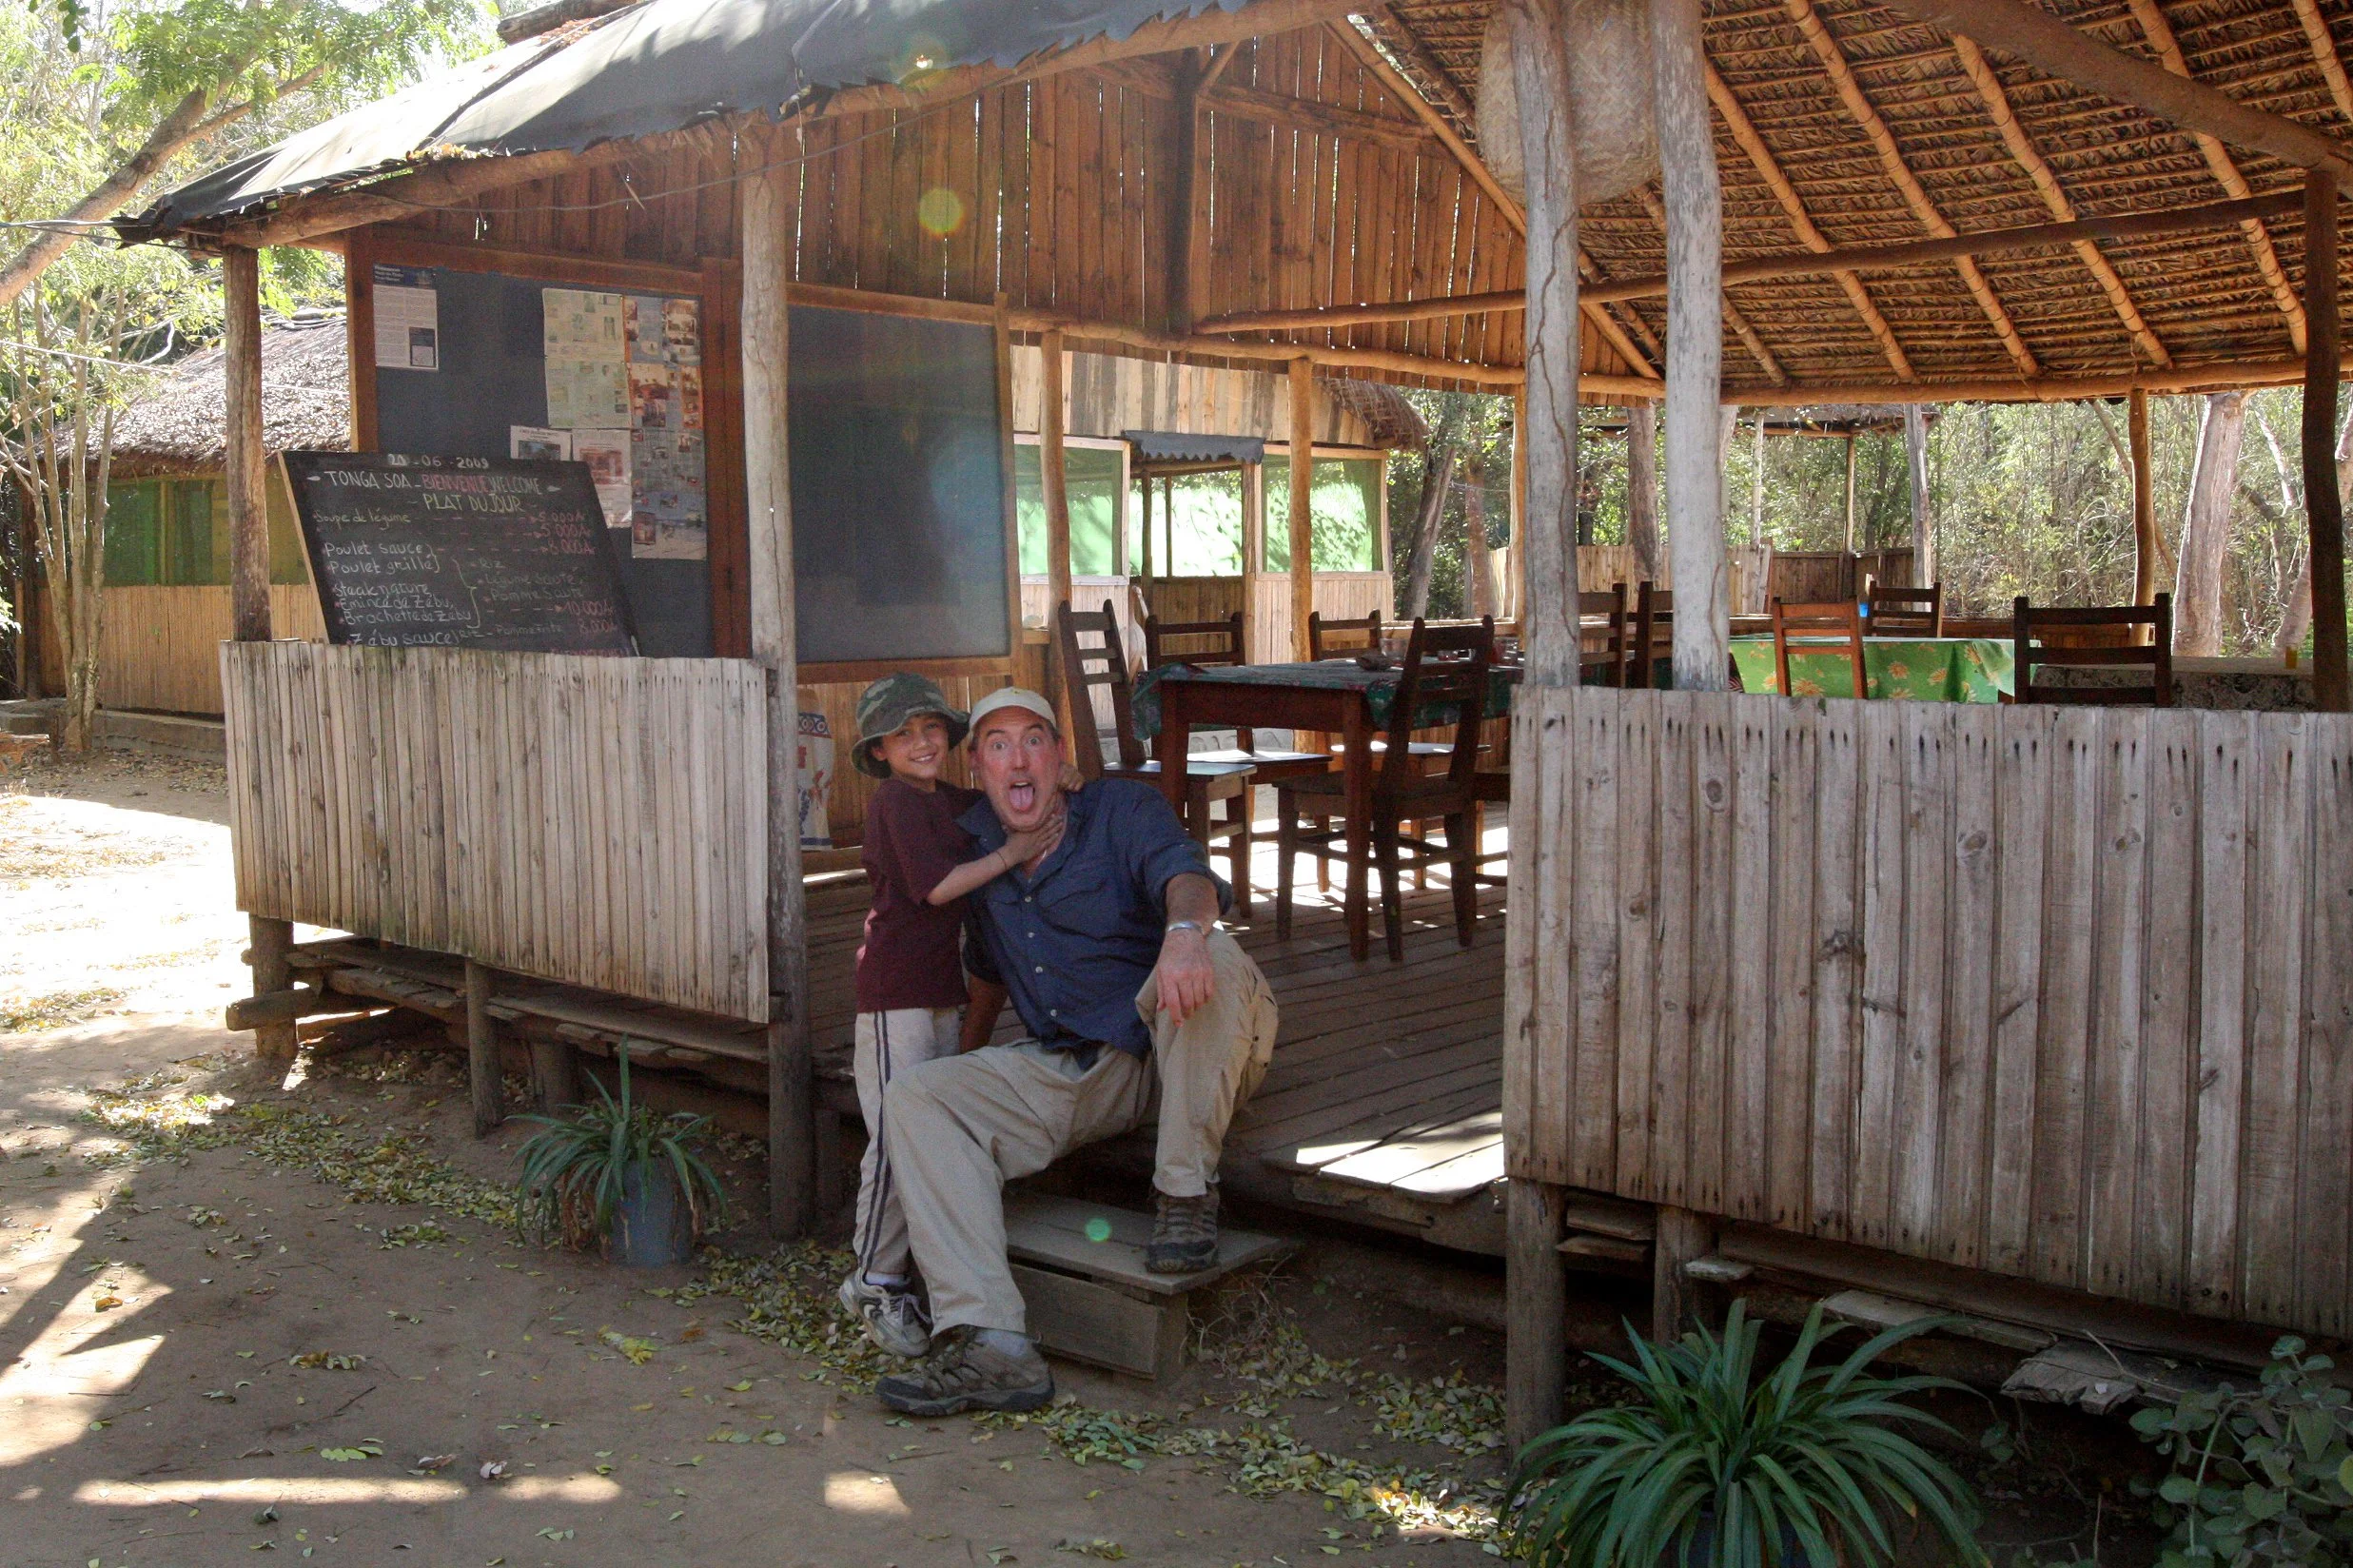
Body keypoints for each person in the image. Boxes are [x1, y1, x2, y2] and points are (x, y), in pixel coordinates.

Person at [873, 687, 1280, 1416]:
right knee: (918, 1095)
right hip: (1086, 1065)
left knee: (1208, 958)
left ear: (1060, 760)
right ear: (979, 766)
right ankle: (993, 1341)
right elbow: (987, 973)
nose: (1017, 758)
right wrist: (961, 1076)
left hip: (1189, 1040)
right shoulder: (980, 853)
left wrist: (1184, 935)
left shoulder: (1121, 810)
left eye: (1034, 739)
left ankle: (1184, 1196)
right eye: (997, 744)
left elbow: (1186, 875)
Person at [836, 674, 1067, 1360]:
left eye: (931, 728)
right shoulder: (894, 805)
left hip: (938, 990)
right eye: (903, 734)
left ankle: (900, 1274)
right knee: (894, 1142)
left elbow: (1003, 794)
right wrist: (1011, 855)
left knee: (925, 1136)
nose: (920, 743)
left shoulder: (944, 800)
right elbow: (934, 889)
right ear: (878, 751)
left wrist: (1059, 776)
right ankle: (873, 1280)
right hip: (893, 994)